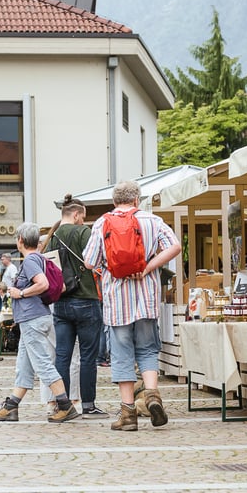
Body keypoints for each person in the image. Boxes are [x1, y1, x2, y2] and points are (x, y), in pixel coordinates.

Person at [82, 179, 181, 432]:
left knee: (122, 354)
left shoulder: (103, 222)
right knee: (148, 349)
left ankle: (128, 415)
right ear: (137, 199)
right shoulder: (152, 221)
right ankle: (152, 396)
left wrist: (109, 266)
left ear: (114, 201)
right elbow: (175, 246)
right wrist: (148, 266)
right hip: (146, 297)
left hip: (117, 301)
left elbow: (90, 262)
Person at [0, 222, 81, 423]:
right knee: (24, 366)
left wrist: (19, 293)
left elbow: (43, 284)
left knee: (42, 363)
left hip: (32, 319)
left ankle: (65, 405)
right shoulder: (38, 258)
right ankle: (12, 406)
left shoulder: (30, 261)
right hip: (35, 318)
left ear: (20, 240)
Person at [48, 194, 106, 417]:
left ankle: (62, 403)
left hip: (61, 302)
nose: (84, 220)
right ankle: (88, 404)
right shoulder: (83, 232)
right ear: (76, 214)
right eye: (83, 216)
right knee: (87, 356)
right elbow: (95, 259)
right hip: (86, 300)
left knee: (62, 355)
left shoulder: (51, 237)